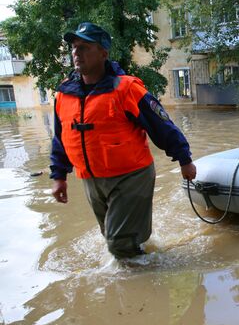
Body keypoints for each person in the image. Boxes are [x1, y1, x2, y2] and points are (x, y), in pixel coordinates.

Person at [50, 22, 196, 259]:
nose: (76, 53)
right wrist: (58, 176)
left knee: (118, 245)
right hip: (91, 179)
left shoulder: (126, 89)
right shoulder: (63, 94)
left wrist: (184, 160)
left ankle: (142, 285)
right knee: (111, 237)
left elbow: (162, 125)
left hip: (131, 177)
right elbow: (61, 138)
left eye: (85, 47)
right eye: (74, 47)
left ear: (103, 53)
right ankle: (143, 255)